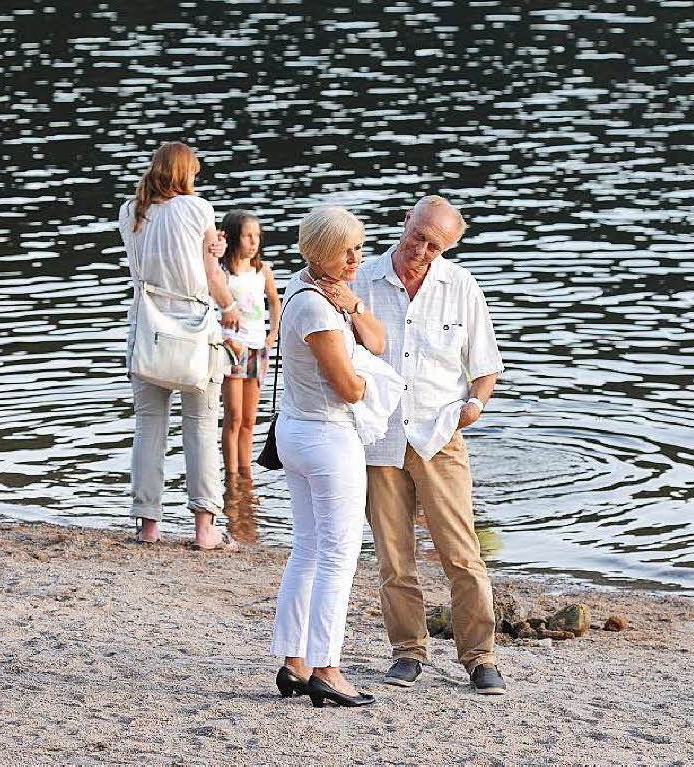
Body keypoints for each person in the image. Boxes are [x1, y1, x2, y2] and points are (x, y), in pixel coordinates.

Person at [350, 195, 508, 694]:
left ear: (446, 248)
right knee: (394, 558)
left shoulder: (460, 286)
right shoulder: (360, 281)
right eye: (417, 236)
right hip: (379, 439)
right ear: (405, 222)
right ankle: (407, 652)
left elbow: (486, 368)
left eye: (433, 245)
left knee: (462, 554)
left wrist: (474, 407)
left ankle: (480, 658)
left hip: (441, 436)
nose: (421, 249)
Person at [269, 206, 386, 709]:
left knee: (308, 549)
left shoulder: (301, 287)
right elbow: (348, 388)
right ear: (322, 254)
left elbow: (379, 339)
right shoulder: (316, 309)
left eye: (359, 247)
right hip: (326, 438)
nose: (357, 257)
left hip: (295, 431)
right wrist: (368, 378)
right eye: (348, 251)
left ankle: (294, 663)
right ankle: (328, 669)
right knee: (339, 556)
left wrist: (356, 306)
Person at [118, 141, 240, 550]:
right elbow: (208, 272)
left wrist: (210, 249)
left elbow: (165, 259)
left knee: (149, 426)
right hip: (194, 329)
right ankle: (205, 529)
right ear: (184, 173)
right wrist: (232, 306)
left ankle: (148, 525)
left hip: (146, 326)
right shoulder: (197, 208)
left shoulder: (130, 212)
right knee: (202, 426)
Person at [218, 210, 281, 479]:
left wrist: (272, 334)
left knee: (249, 419)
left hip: (257, 348)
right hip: (232, 349)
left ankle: (246, 475)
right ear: (234, 238)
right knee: (233, 416)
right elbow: (212, 308)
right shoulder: (222, 273)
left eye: (257, 236)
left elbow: (274, 301)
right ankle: (232, 475)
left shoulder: (262, 270)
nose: (254, 241)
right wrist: (226, 339)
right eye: (247, 236)